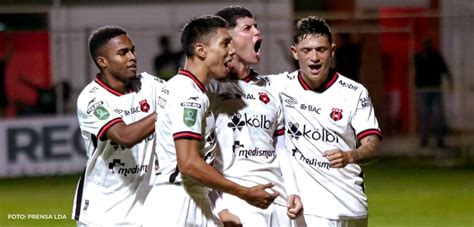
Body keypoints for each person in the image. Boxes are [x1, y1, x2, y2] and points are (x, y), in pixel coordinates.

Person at [143, 15, 278, 226]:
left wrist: (220, 210)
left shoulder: (192, 90)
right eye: (225, 43)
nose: (232, 51)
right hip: (177, 206)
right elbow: (188, 163)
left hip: (193, 199)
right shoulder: (189, 95)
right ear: (201, 50)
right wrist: (244, 193)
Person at [264, 16, 382, 227]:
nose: (314, 57)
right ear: (294, 53)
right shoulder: (279, 87)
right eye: (306, 50)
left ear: (332, 51)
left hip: (352, 206)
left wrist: (350, 155)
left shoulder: (354, 92)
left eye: (321, 49)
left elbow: (372, 144)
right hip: (311, 211)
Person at [207, 6, 303, 226]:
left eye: (257, 27)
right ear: (226, 38)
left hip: (277, 198)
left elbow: (280, 147)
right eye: (247, 28)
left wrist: (292, 191)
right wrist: (220, 208)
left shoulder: (270, 89)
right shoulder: (209, 90)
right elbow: (200, 158)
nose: (257, 33)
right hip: (238, 199)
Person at [72, 26, 164, 226]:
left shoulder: (150, 85)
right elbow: (124, 136)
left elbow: (182, 100)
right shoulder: (92, 98)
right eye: (123, 53)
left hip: (145, 211)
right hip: (102, 213)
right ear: (102, 62)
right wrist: (164, 112)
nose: (132, 57)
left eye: (133, 50)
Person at [414, 38, 452, 148]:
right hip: (423, 90)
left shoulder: (436, 56)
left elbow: (445, 70)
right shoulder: (418, 57)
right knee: (425, 115)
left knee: (437, 115)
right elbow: (412, 72)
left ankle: (439, 139)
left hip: (435, 89)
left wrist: (450, 82)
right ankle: (424, 139)